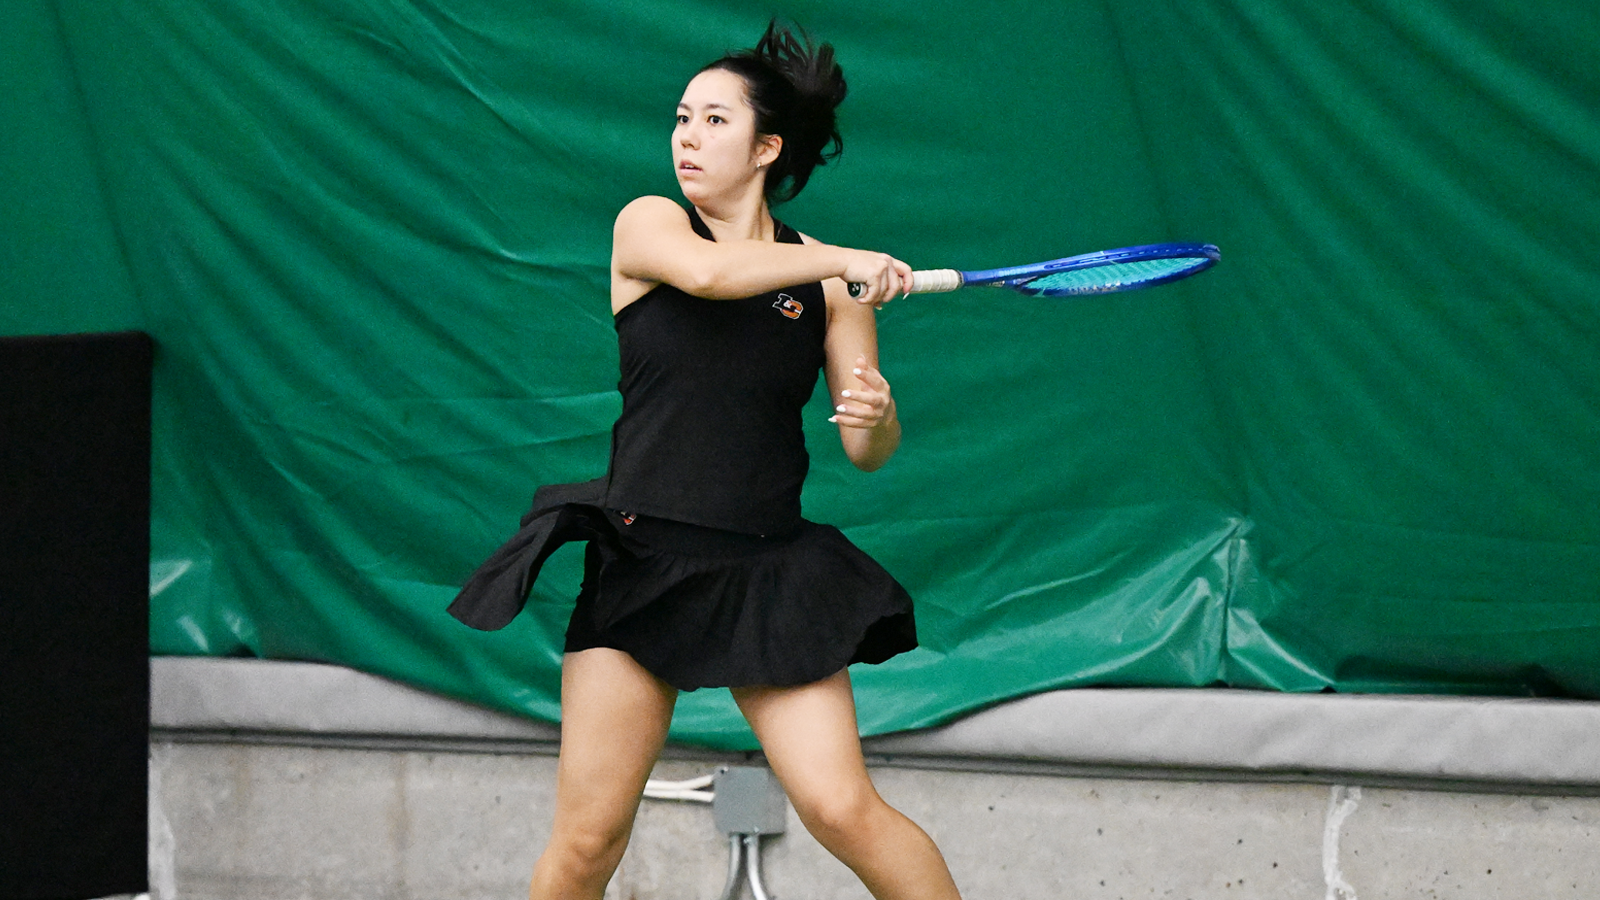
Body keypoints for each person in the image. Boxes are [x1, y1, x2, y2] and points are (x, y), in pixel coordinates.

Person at [449, 20, 962, 900]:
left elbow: (864, 450)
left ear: (767, 146)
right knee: (587, 842)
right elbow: (711, 277)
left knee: (844, 810)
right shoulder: (650, 225)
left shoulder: (835, 287)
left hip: (767, 572)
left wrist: (877, 412)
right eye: (683, 117)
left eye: (715, 121)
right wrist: (850, 261)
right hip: (642, 562)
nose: (687, 135)